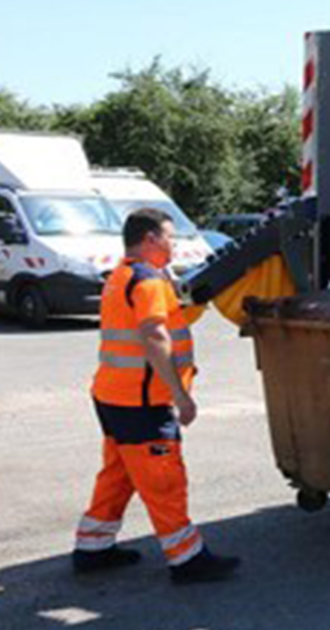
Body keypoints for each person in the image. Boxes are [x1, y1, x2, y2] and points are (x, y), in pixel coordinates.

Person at [72, 207, 240, 584]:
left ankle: (93, 547)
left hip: (112, 395)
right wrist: (180, 395)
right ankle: (188, 559)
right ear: (150, 239)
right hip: (141, 403)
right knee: (164, 480)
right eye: (169, 236)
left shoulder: (122, 275)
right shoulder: (147, 281)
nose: (174, 245)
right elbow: (153, 335)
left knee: (119, 472)